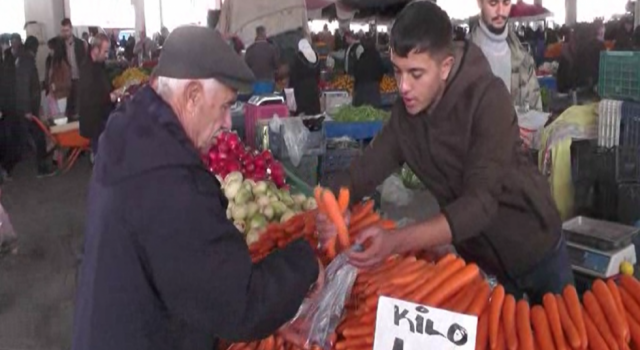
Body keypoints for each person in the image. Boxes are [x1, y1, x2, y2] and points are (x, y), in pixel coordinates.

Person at [72, 26, 323, 350]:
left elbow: (178, 280)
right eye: (223, 106)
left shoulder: (132, 133)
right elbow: (238, 303)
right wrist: (306, 263)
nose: (227, 123)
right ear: (191, 97)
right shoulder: (169, 182)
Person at [317, 1, 572, 304]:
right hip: (482, 265)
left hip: (536, 246)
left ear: (445, 67)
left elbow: (480, 204)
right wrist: (333, 202)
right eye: (397, 71)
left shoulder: (488, 100)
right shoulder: (405, 119)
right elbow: (361, 172)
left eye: (416, 73)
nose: (403, 87)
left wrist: (396, 241)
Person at [470, 0, 543, 111]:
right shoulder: (462, 60)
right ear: (479, 3)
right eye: (493, 3)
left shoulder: (524, 59)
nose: (501, 11)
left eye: (506, 3)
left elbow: (536, 109)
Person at [16, 36, 56, 178]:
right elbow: (24, 86)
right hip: (28, 110)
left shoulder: (23, 60)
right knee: (39, 137)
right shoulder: (27, 62)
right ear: (34, 48)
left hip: (28, 108)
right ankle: (41, 168)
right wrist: (27, 109)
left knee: (31, 137)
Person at [78, 34, 118, 156]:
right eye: (105, 52)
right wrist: (109, 97)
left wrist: (113, 91)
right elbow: (88, 97)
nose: (107, 55)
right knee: (100, 155)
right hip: (95, 122)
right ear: (95, 50)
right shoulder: (86, 69)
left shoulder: (99, 65)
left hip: (102, 117)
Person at [60, 18, 88, 118]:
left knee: (78, 105)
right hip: (66, 80)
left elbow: (85, 61)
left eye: (67, 30)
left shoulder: (80, 44)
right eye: (63, 31)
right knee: (68, 107)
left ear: (71, 29)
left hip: (79, 77)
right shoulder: (60, 45)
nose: (65, 33)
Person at [289, 39, 321, 116]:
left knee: (303, 110)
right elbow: (318, 73)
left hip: (301, 88)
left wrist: (291, 86)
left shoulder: (298, 57)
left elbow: (293, 73)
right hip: (313, 86)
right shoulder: (316, 56)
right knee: (313, 110)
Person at [244, 26, 279, 94]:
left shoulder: (250, 49)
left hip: (254, 80)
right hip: (268, 80)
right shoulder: (271, 49)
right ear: (265, 34)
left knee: (256, 100)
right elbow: (276, 65)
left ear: (256, 34)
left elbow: (246, 66)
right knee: (267, 101)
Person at [352, 36, 384, 108]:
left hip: (361, 90)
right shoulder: (377, 57)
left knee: (361, 113)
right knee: (374, 112)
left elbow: (356, 73)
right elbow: (381, 71)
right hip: (373, 89)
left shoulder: (362, 57)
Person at [47, 38, 72, 118]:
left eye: (51, 49)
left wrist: (55, 86)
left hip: (61, 96)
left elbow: (67, 83)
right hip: (56, 95)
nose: (50, 51)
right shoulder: (54, 62)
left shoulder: (62, 64)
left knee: (60, 119)